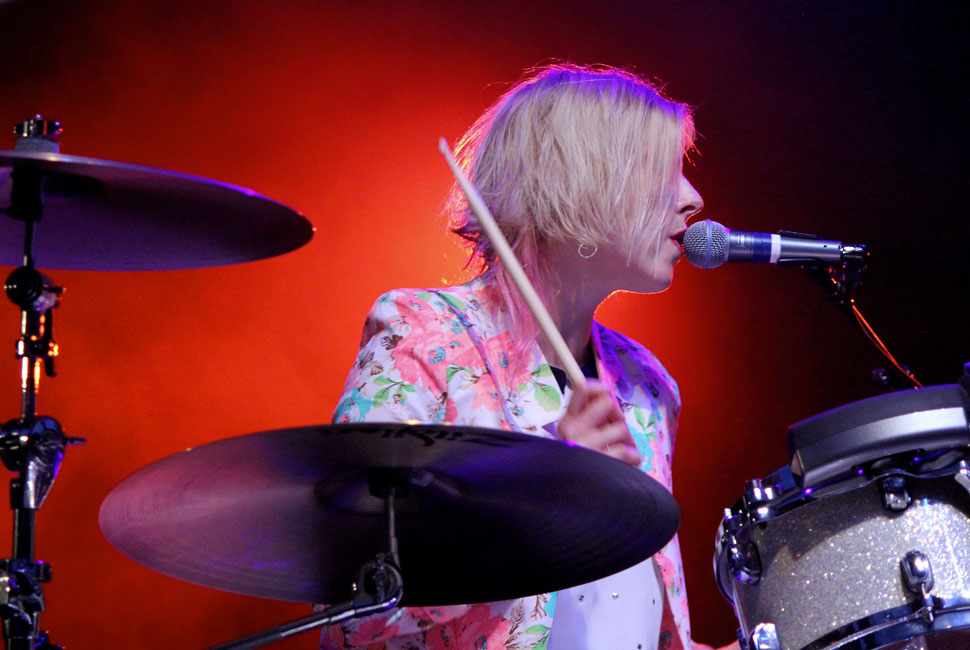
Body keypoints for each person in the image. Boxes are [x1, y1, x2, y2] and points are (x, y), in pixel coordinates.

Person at [324, 63, 737, 650]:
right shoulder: (421, 336)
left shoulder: (647, 385)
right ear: (582, 182)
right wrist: (549, 487)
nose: (693, 199)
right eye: (662, 172)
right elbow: (356, 606)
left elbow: (617, 621)